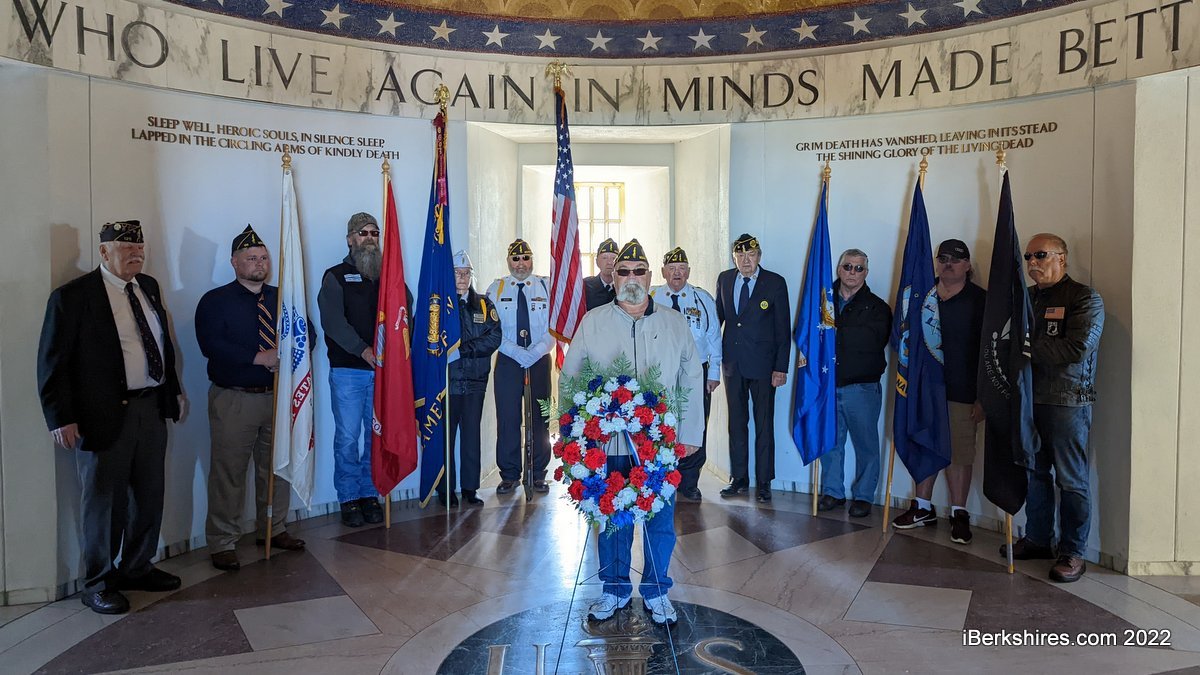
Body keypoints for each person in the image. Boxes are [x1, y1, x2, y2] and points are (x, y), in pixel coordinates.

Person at [37, 220, 183, 614]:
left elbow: (160, 345)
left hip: (150, 409)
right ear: (104, 253)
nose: (136, 254)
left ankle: (137, 567)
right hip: (101, 416)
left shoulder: (148, 286)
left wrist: (173, 392)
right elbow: (53, 364)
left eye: (140, 248)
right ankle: (99, 582)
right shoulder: (73, 297)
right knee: (104, 504)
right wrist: (59, 417)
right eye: (126, 248)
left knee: (148, 495)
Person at [563, 239, 704, 626]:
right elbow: (570, 376)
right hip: (607, 444)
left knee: (660, 519)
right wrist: (572, 435)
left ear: (650, 276)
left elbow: (692, 377)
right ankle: (614, 590)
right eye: (623, 271)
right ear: (613, 276)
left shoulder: (674, 323)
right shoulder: (594, 322)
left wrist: (690, 431)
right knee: (612, 515)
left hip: (661, 443)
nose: (630, 278)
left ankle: (657, 592)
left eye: (638, 271)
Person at [195, 226, 307, 571]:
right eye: (250, 258)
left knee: (277, 468)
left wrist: (288, 356)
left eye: (263, 257)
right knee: (229, 473)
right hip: (235, 399)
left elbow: (307, 333)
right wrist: (258, 357)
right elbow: (211, 344)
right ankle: (223, 541)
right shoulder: (215, 301)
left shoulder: (283, 297)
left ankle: (274, 528)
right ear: (234, 262)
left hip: (277, 397)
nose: (259, 263)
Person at [1001, 233, 1104, 583]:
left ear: (1062, 257)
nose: (1033, 263)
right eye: (1028, 256)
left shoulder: (1084, 298)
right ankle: (1038, 538)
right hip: (1030, 400)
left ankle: (1073, 551)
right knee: (1035, 473)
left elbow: (1075, 349)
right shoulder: (1027, 299)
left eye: (1041, 255)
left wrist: (1025, 345)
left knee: (1071, 480)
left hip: (1066, 402)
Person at [891, 239, 985, 543]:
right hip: (923, 389)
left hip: (962, 391)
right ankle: (922, 506)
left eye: (956, 260)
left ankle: (959, 512)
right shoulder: (920, 295)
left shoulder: (981, 301)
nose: (948, 264)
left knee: (959, 453)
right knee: (924, 443)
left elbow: (989, 353)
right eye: (942, 258)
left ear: (968, 265)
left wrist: (984, 397)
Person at [317, 212, 386, 527]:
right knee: (347, 437)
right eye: (363, 233)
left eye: (374, 233)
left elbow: (405, 315)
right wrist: (363, 350)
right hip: (348, 372)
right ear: (350, 239)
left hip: (383, 374)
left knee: (375, 436)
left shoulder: (389, 276)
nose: (369, 238)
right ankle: (348, 497)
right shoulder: (336, 275)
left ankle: (370, 493)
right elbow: (332, 322)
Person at [714, 233, 791, 503]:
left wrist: (781, 368)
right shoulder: (725, 279)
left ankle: (764, 482)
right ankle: (739, 478)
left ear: (759, 256)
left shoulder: (775, 283)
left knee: (764, 425)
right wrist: (713, 363)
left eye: (751, 255)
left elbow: (783, 329)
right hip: (733, 365)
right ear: (734, 257)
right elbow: (717, 324)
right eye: (740, 255)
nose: (746, 260)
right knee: (737, 424)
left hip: (764, 366)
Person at [818, 248, 891, 518]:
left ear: (866, 273)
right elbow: (809, 336)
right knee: (831, 443)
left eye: (859, 268)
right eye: (848, 267)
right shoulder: (822, 303)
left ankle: (863, 496)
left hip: (861, 388)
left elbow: (872, 341)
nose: (852, 272)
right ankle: (832, 491)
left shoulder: (878, 307)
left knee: (866, 445)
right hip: (829, 385)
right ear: (839, 269)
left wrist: (835, 332)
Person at [650, 246, 721, 501]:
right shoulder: (653, 298)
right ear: (663, 272)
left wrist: (713, 372)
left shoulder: (702, 299)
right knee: (661, 422)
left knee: (694, 424)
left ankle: (689, 481)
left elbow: (714, 337)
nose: (677, 273)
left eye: (681, 268)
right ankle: (662, 476)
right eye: (672, 268)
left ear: (688, 271)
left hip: (696, 369)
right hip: (661, 370)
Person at [487, 239, 554, 494]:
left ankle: (537, 473)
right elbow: (491, 328)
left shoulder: (545, 286)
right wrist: (515, 351)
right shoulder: (496, 288)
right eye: (515, 259)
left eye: (525, 258)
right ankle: (510, 474)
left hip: (538, 359)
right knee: (508, 418)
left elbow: (554, 326)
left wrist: (536, 351)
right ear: (508, 262)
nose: (521, 264)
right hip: (507, 359)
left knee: (540, 417)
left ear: (532, 260)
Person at [442, 250, 501, 506]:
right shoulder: (438, 305)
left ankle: (469, 489)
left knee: (471, 438)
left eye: (466, 273)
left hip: (476, 382)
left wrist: (462, 351)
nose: (462, 278)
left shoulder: (485, 305)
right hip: (447, 383)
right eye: (457, 273)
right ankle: (444, 490)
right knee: (445, 438)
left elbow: (494, 337)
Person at [582, 238, 618, 309]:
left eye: (614, 258)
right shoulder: (585, 286)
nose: (610, 262)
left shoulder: (624, 287)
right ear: (597, 262)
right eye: (604, 258)